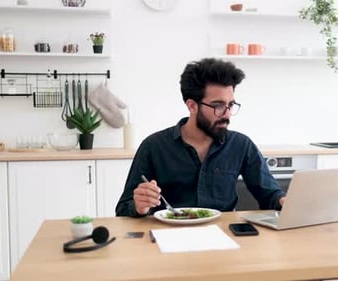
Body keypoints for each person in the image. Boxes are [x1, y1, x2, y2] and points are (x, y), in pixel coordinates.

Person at [116, 58, 286, 217]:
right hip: (168, 235)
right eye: (218, 106)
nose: (227, 114)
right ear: (192, 106)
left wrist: (284, 201)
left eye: (231, 105)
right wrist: (139, 206)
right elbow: (123, 209)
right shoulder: (154, 146)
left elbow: (269, 194)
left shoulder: (241, 145)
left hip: (225, 236)